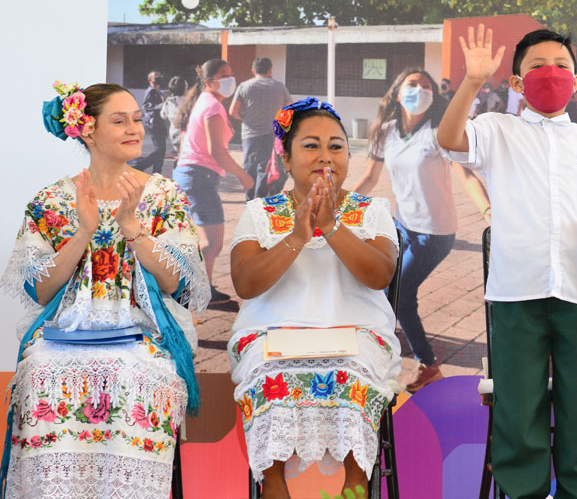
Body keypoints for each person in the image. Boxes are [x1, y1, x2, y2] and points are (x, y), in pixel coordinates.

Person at [437, 25, 577, 499]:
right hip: (515, 292)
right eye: (537, 66)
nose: (552, 73)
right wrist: (473, 82)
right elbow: (448, 139)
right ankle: (523, 491)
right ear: (518, 82)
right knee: (518, 404)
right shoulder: (496, 129)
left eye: (562, 66)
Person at [0, 81, 209, 498]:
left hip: (142, 334)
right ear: (87, 130)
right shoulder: (53, 201)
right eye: (120, 120)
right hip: (65, 334)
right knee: (40, 372)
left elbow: (178, 285)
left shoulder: (164, 196)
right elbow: (39, 291)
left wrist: (133, 229)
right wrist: (83, 232)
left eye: (136, 119)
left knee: (135, 373)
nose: (136, 128)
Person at [229, 97, 401, 499]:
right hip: (271, 339)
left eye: (336, 146)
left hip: (356, 338)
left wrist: (330, 226)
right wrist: (298, 236)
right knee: (268, 376)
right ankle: (274, 487)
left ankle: (355, 486)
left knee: (352, 370)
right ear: (286, 159)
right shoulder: (259, 212)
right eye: (311, 145)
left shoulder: (372, 209)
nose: (326, 156)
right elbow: (246, 284)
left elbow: (380, 276)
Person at [353, 68, 491, 392]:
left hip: (435, 233)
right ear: (398, 93)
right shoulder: (385, 131)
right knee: (386, 290)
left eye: (426, 86)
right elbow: (371, 178)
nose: (420, 90)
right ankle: (392, 356)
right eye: (413, 85)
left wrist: (488, 212)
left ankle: (426, 364)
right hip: (402, 225)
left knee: (396, 295)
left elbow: (467, 176)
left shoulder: (440, 132)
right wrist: (339, 205)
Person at [175, 59, 255, 307]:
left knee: (207, 241)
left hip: (194, 176)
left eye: (231, 74)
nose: (231, 80)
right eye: (225, 76)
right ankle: (194, 291)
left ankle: (202, 289)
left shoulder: (206, 102)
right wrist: (243, 175)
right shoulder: (211, 106)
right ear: (210, 82)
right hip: (200, 177)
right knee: (212, 243)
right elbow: (217, 152)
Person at [230, 57, 293, 200]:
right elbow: (290, 108)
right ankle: (261, 197)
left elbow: (233, 111)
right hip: (272, 134)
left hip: (250, 134)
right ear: (270, 71)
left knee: (249, 167)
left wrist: (244, 119)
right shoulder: (279, 86)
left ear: (253, 71)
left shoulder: (244, 86)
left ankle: (250, 197)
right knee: (266, 167)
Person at [131, 71, 168, 174]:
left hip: (160, 123)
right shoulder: (151, 91)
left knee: (161, 150)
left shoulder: (158, 91)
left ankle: (157, 173)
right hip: (154, 123)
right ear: (150, 80)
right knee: (160, 150)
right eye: (156, 77)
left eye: (160, 77)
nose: (159, 78)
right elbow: (146, 106)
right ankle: (140, 166)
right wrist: (162, 106)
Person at [160, 75, 187, 157]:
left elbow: (163, 115)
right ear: (185, 87)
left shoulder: (168, 101)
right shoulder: (188, 100)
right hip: (186, 134)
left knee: (180, 157)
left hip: (174, 134)